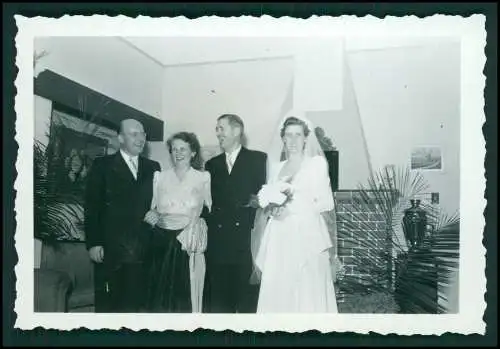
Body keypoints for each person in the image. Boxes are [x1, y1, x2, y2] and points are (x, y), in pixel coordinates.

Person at [252, 112, 339, 313]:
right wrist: (274, 208)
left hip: (306, 234)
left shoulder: (316, 164)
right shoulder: (276, 167)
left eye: (297, 135)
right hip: (280, 235)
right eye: (288, 135)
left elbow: (324, 203)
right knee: (280, 288)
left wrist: (290, 209)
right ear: (282, 138)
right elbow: (269, 200)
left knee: (306, 288)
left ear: (306, 138)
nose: (292, 140)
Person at [84, 118, 161, 313]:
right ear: (120, 138)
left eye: (143, 134)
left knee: (137, 308)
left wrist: (157, 212)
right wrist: (93, 243)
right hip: (112, 250)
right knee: (110, 307)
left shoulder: (154, 167)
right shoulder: (102, 165)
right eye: (134, 134)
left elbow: (161, 200)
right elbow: (92, 206)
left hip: (143, 249)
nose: (140, 138)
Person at [203, 114, 267, 313]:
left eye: (221, 128)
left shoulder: (259, 159)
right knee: (220, 306)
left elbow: (265, 200)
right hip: (219, 246)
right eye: (217, 129)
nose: (217, 133)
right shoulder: (211, 165)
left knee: (248, 306)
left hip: (246, 245)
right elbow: (208, 205)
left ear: (237, 130)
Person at [143, 132, 211, 313]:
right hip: (162, 240)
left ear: (193, 152)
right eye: (174, 149)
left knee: (184, 292)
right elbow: (154, 207)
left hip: (186, 240)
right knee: (160, 292)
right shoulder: (160, 177)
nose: (178, 153)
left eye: (183, 149)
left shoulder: (203, 178)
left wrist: (197, 225)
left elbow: (209, 210)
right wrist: (153, 214)